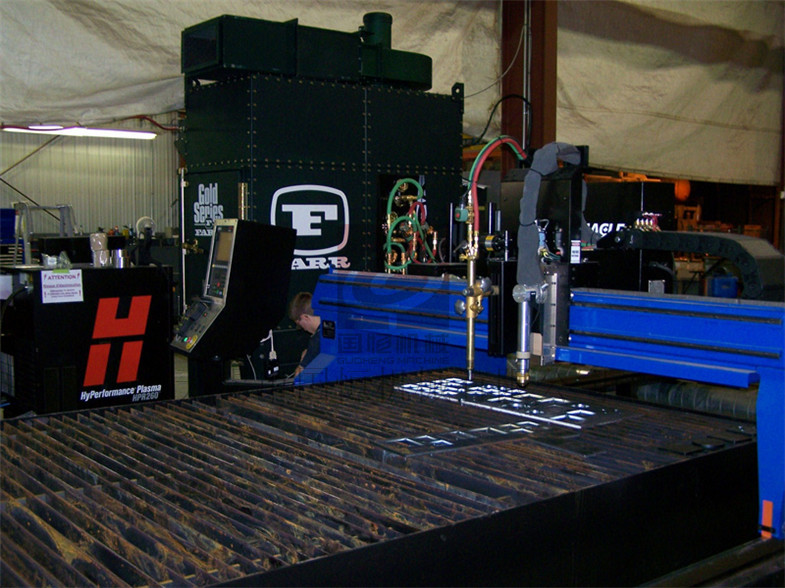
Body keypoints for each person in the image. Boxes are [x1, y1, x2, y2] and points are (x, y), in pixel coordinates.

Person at [288, 292, 321, 377]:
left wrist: (302, 364)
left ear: (305, 317)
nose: (303, 328)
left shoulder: (316, 341)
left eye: (299, 324)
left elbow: (299, 375)